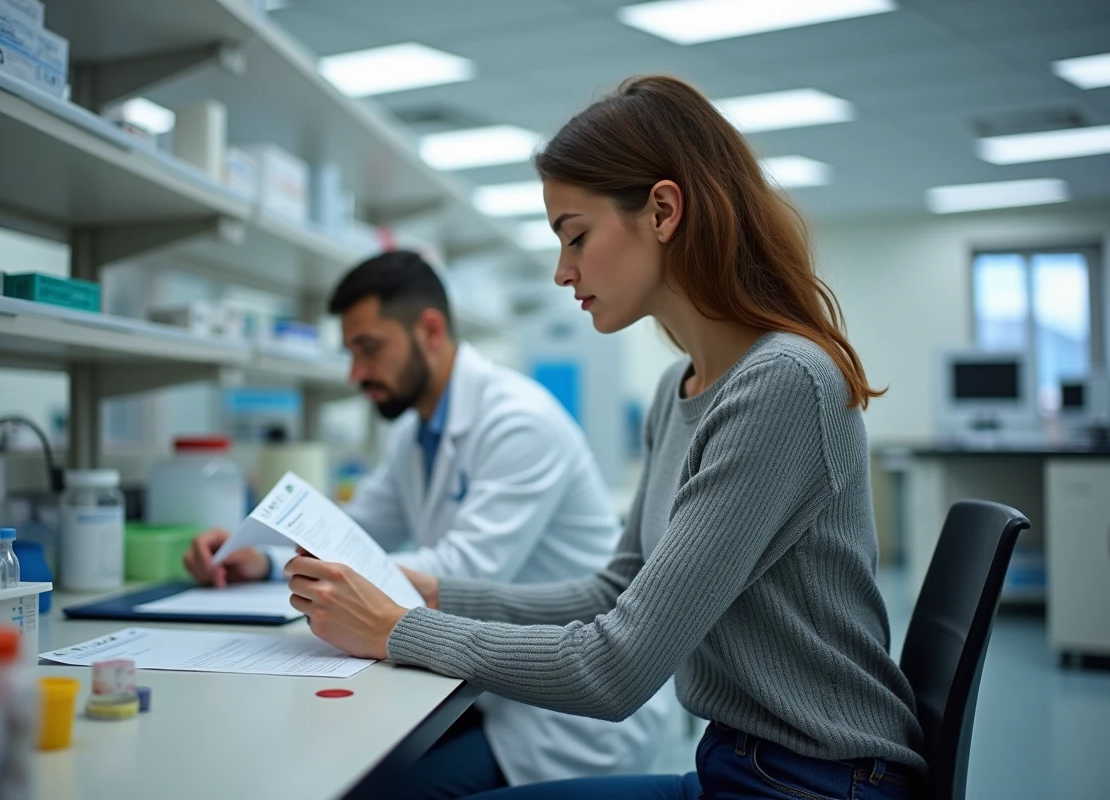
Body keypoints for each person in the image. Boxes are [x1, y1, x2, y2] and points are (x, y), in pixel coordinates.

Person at [276, 74, 929, 800]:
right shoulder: (680, 388)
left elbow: (614, 670)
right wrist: (440, 594)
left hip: (813, 784)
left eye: (576, 237)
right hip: (738, 767)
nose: (563, 272)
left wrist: (398, 629)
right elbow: (616, 588)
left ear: (662, 211)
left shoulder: (783, 383)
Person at [183, 250, 676, 798]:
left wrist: (316, 574)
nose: (356, 373)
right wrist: (262, 557)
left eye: (369, 348)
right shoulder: (413, 433)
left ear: (430, 329)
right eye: (350, 353)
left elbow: (459, 572)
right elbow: (356, 533)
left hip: (558, 712)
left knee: (383, 788)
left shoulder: (519, 423)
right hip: (481, 679)